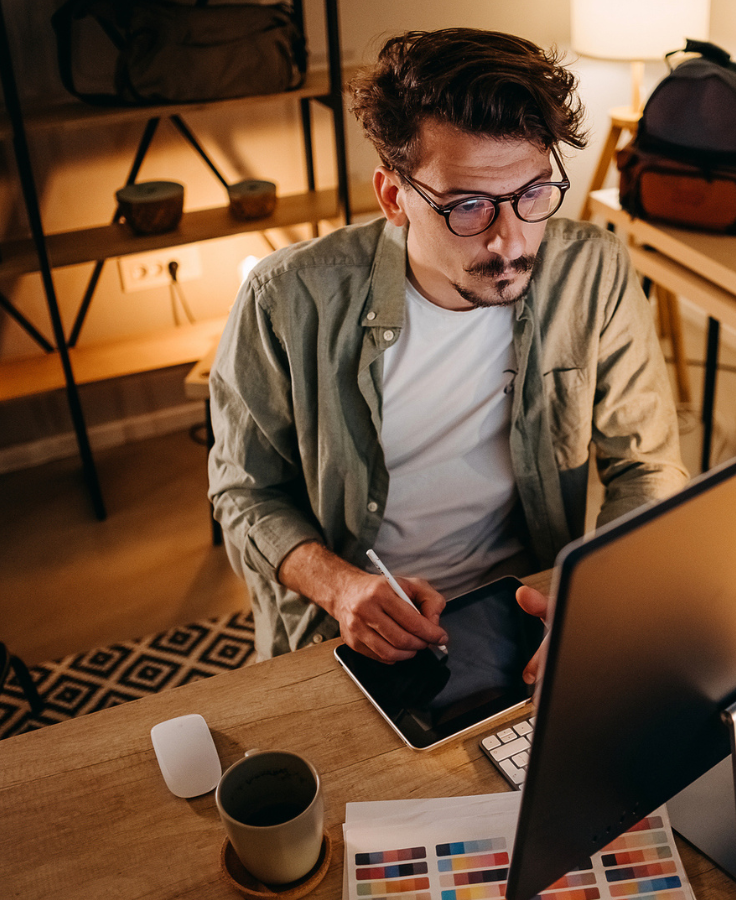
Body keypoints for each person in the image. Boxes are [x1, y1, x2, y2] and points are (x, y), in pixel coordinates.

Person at [208, 28, 687, 667]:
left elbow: (646, 468)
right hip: (350, 627)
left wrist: (595, 597)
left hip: (527, 604)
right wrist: (342, 588)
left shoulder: (591, 271)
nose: (511, 242)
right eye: (468, 206)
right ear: (394, 197)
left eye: (533, 195)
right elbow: (243, 493)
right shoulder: (286, 298)